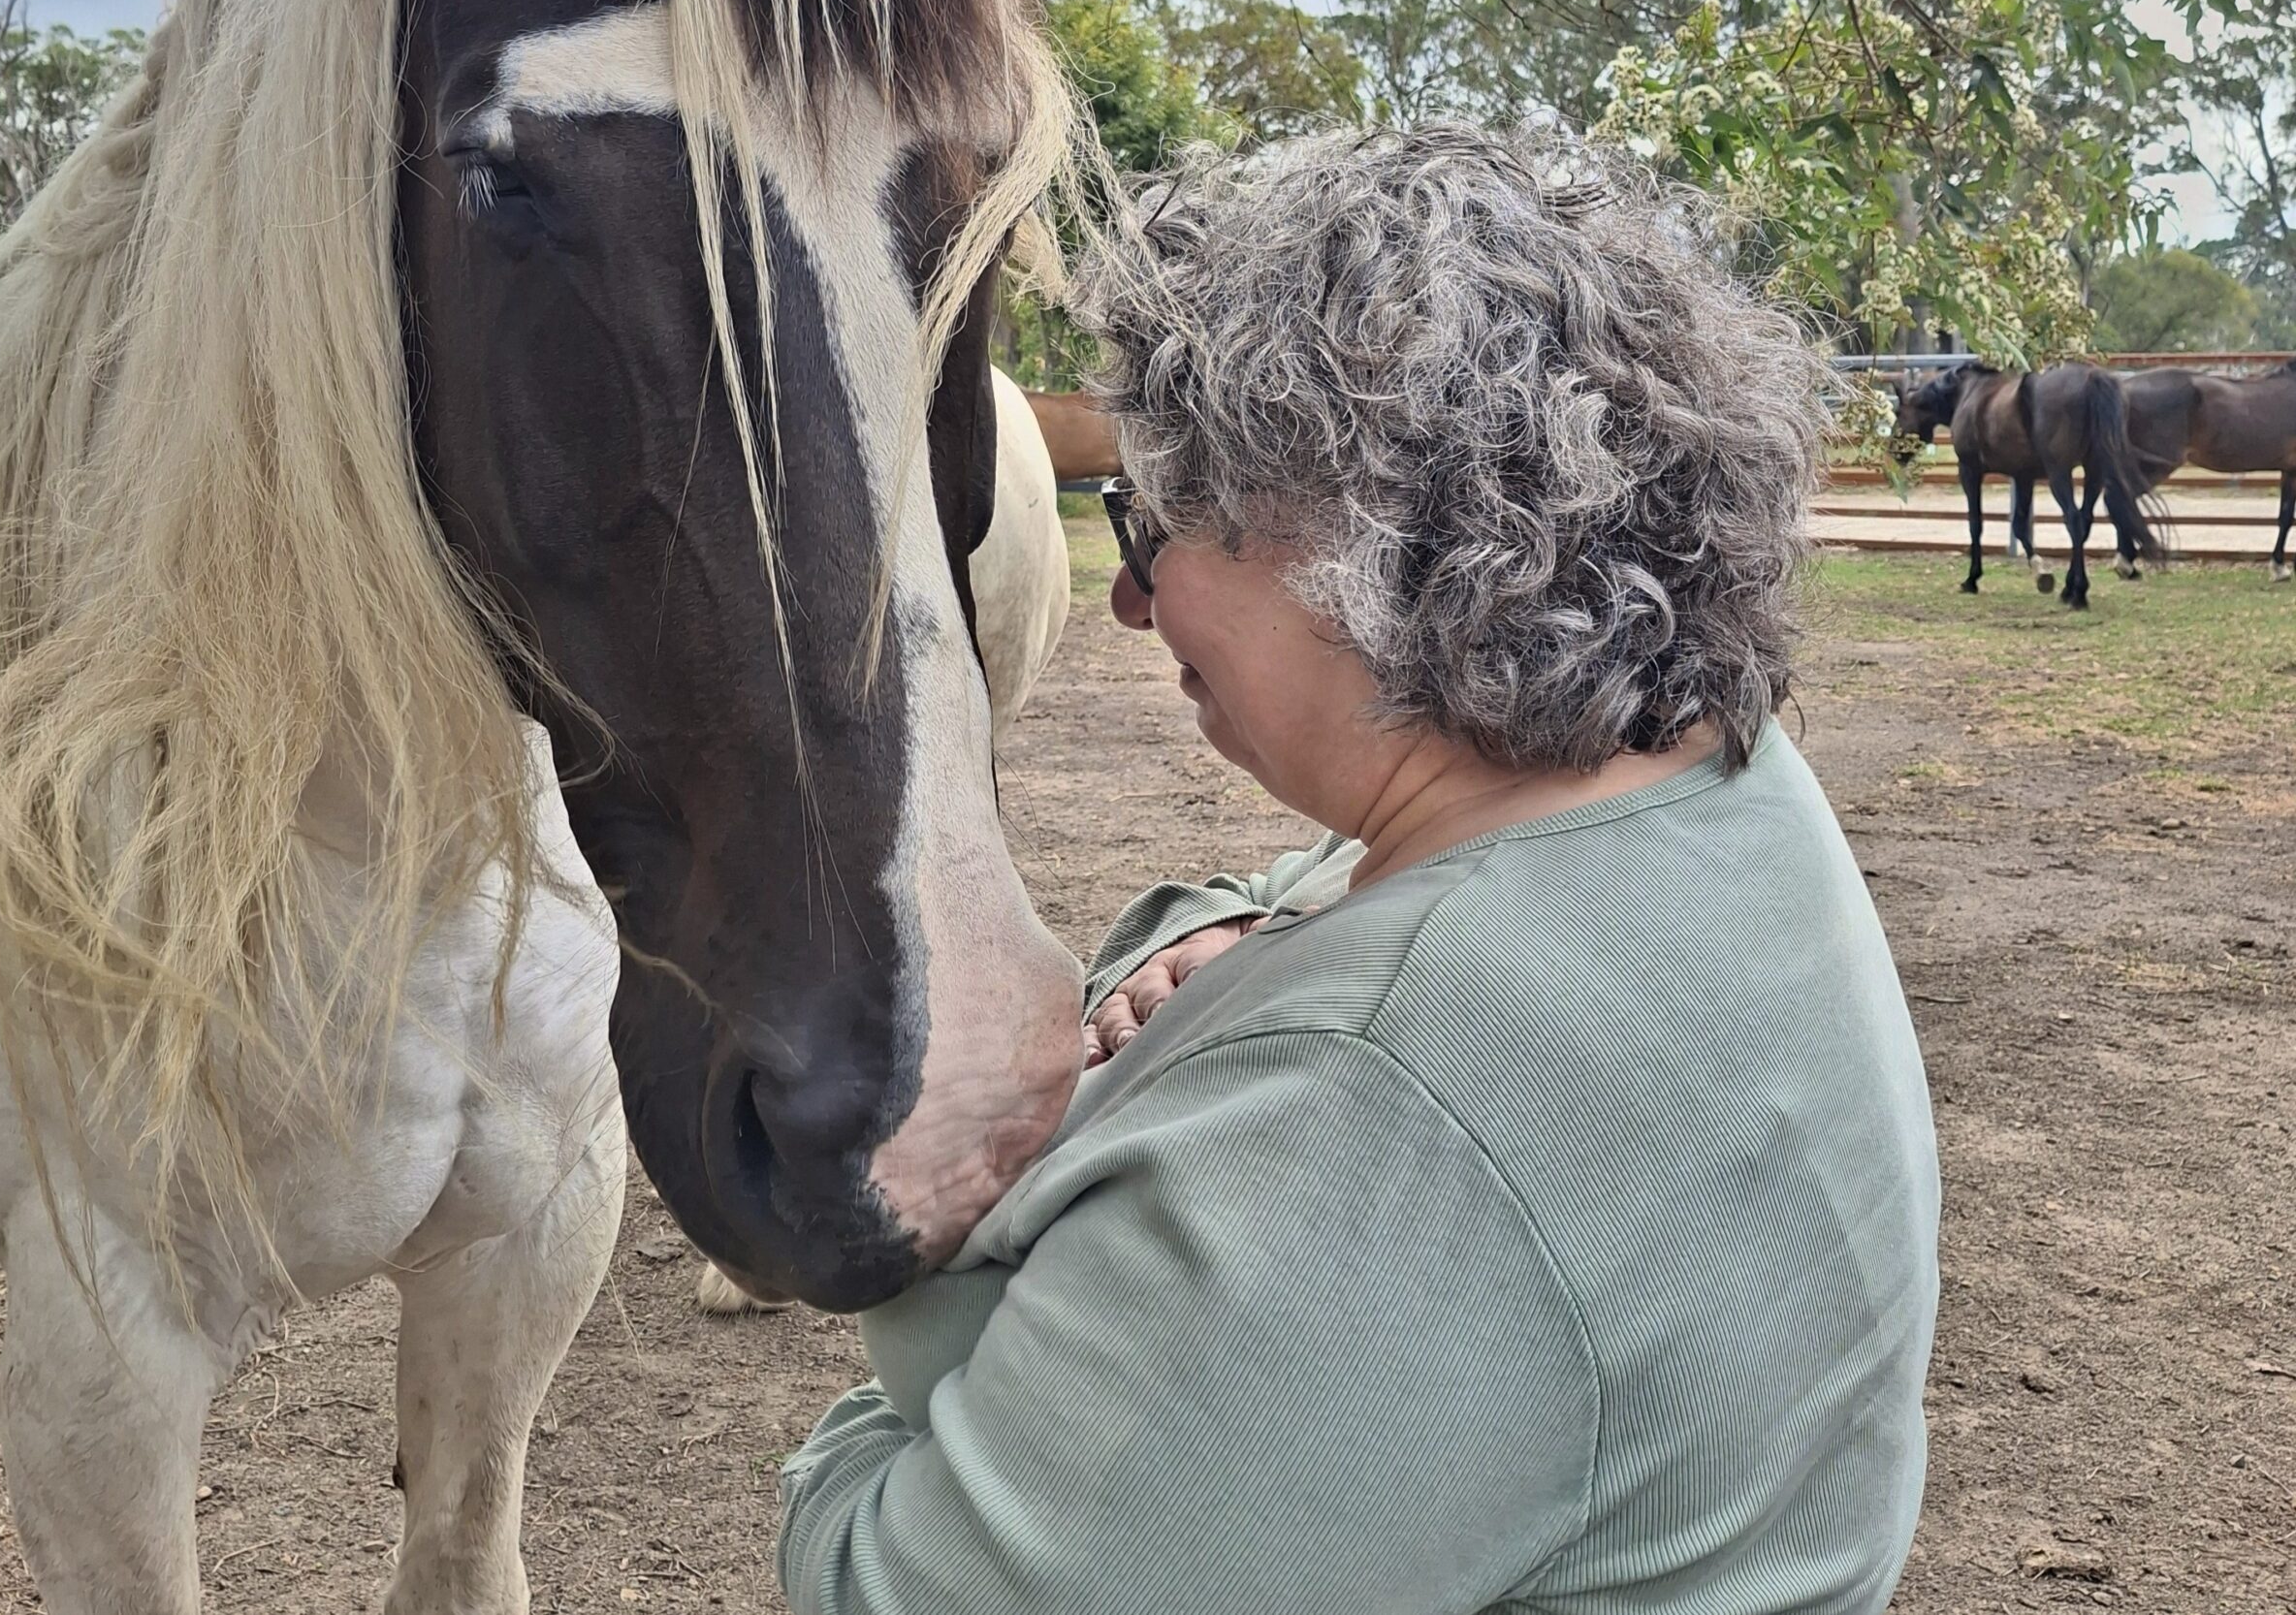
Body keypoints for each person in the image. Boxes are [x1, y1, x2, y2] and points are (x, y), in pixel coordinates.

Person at [779, 126, 1939, 1615]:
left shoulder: (1378, 1108)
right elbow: (1345, 887)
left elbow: (902, 1586)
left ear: (1349, 542)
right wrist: (1219, 943)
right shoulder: (1710, 783)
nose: (1130, 602)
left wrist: (874, 1411)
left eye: (1153, 527)